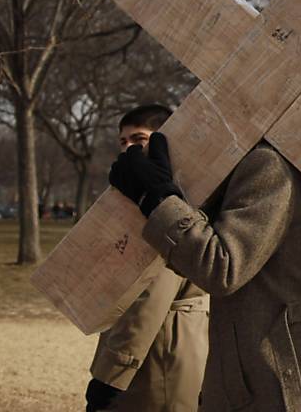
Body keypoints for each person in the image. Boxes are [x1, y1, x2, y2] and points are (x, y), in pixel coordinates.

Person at [107, 126, 301, 410]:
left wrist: (156, 200)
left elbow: (222, 268)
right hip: (269, 371)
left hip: (276, 378)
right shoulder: (280, 157)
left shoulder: (270, 163)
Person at [85, 105, 208, 412]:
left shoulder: (167, 201)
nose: (128, 148)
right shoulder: (168, 193)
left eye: (138, 139)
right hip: (173, 345)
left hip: (159, 352)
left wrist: (110, 378)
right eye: (123, 142)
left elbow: (148, 295)